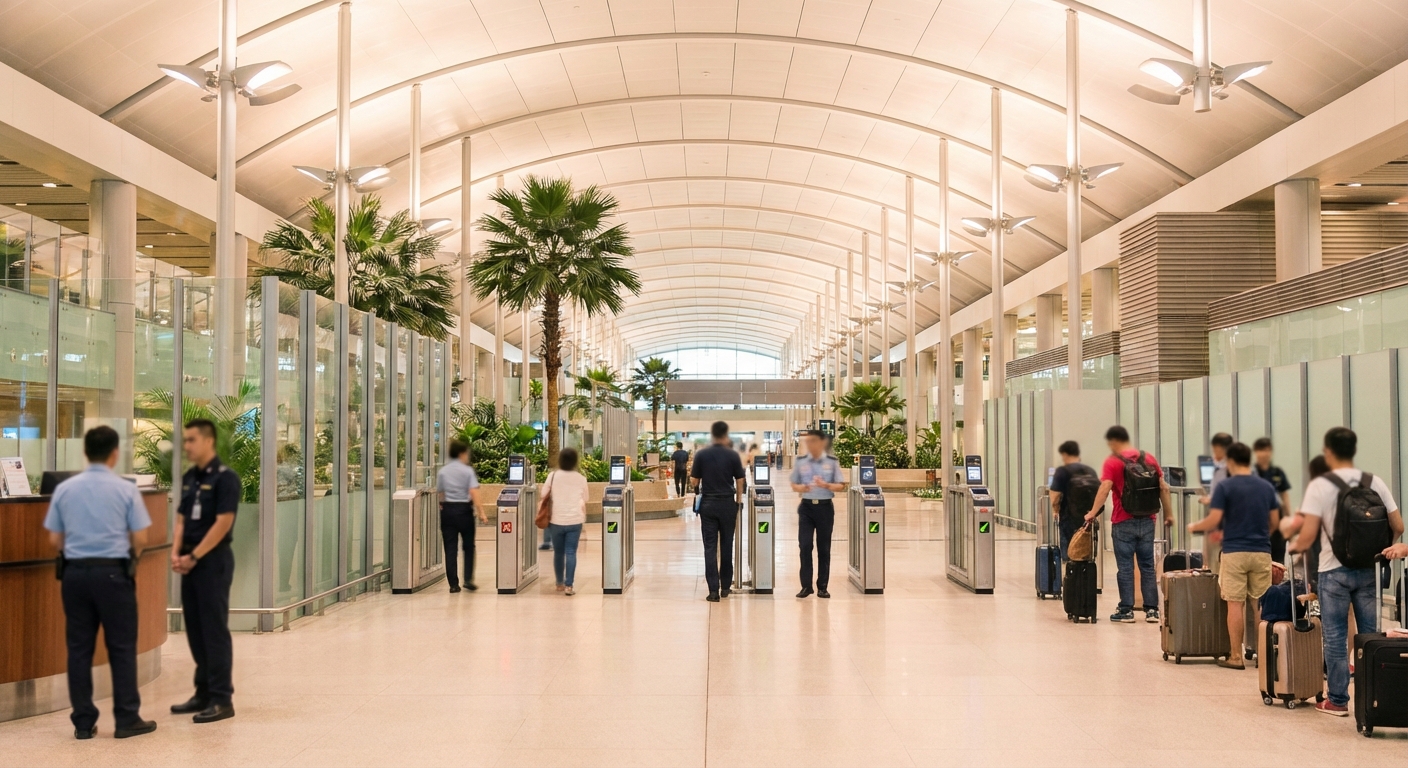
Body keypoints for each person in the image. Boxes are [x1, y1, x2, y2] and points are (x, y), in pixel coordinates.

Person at [43, 426, 157, 740]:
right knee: (121, 647)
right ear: (114, 454)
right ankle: (126, 719)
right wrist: (127, 559)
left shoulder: (66, 489)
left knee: (78, 648)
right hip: (113, 575)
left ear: (85, 452)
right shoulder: (125, 489)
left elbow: (55, 539)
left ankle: (82, 722)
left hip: (75, 576)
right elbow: (141, 538)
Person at [1287, 427, 1404, 716]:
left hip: (1333, 571)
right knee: (1369, 637)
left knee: (1336, 638)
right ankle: (1372, 699)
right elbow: (1398, 525)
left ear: (1328, 452)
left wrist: (1293, 546)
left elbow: (1309, 535)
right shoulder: (1373, 481)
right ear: (1354, 450)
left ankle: (1338, 700)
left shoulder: (1321, 486)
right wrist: (1382, 550)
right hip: (1368, 570)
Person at [171, 418, 241, 724]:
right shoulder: (190, 477)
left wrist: (195, 555)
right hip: (190, 562)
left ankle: (222, 698)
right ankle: (202, 692)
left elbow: (224, 521)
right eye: (185, 441)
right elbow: (181, 518)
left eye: (191, 440)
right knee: (196, 630)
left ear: (208, 441)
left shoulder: (226, 478)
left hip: (213, 561)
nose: (186, 446)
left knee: (213, 630)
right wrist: (176, 552)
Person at [1187, 442, 1278, 670]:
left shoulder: (1225, 487)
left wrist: (1194, 526)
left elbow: (1214, 520)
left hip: (1235, 551)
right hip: (1261, 551)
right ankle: (1262, 656)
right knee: (1259, 604)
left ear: (1231, 462)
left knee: (1234, 604)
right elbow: (1274, 522)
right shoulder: (1266, 487)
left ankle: (1236, 656)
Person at [1084, 425, 1171, 624]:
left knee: (1125, 568)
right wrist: (1169, 514)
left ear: (1114, 441)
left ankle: (1126, 610)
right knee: (1147, 566)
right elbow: (1163, 487)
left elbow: (1105, 488)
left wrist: (1092, 513)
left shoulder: (1113, 461)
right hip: (1148, 519)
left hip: (1123, 520)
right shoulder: (1148, 458)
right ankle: (1152, 611)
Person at [691, 421, 746, 602]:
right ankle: (725, 587)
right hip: (727, 504)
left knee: (710, 547)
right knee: (727, 545)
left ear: (712, 434)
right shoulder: (732, 455)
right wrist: (738, 500)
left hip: (708, 504)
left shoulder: (702, 454)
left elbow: (693, 481)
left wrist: (699, 488)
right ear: (725, 434)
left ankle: (713, 590)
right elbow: (740, 479)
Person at [789, 429, 847, 599]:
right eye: (808, 441)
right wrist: (803, 488)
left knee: (824, 548)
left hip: (825, 509)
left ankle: (822, 587)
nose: (809, 444)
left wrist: (826, 485)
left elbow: (841, 485)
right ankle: (806, 586)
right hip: (806, 508)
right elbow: (794, 485)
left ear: (822, 442)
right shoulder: (800, 462)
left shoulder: (832, 462)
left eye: (813, 440)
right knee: (805, 546)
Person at [437, 441, 486, 593]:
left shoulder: (443, 472)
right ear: (461, 454)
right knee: (468, 546)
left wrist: (443, 505)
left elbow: (440, 492)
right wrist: (481, 512)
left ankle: (453, 584)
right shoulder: (468, 471)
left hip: (448, 511)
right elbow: (473, 492)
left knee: (450, 548)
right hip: (464, 510)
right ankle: (468, 580)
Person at [542, 448, 589, 595]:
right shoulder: (580, 478)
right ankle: (569, 586)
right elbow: (586, 498)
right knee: (571, 552)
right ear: (575, 461)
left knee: (558, 552)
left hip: (556, 520)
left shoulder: (553, 476)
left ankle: (559, 584)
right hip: (575, 520)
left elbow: (544, 494)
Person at [1048, 440, 1097, 562]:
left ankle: (1070, 575)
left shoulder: (1062, 471)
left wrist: (1055, 510)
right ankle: (1086, 576)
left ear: (1064, 454)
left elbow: (1055, 496)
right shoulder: (1090, 471)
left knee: (1069, 552)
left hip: (1068, 517)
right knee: (1087, 551)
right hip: (1088, 517)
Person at [1252, 437, 1292, 562]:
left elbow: (1284, 495)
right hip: (1257, 516)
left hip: (1276, 516)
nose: (1265, 454)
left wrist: (1288, 517)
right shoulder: (1252, 472)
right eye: (1261, 450)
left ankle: (1278, 580)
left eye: (1268, 450)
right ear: (1255, 452)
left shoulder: (1277, 472)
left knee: (1278, 555)